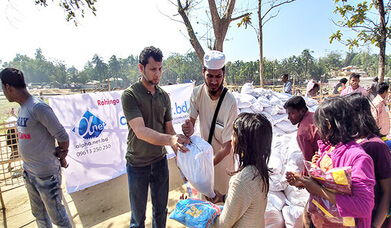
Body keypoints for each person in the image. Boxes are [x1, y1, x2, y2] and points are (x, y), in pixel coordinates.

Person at [121, 46, 190, 228]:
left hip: (160, 163)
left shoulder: (163, 97)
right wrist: (171, 140)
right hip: (137, 164)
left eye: (160, 69)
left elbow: (169, 130)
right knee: (138, 219)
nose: (157, 74)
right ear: (140, 67)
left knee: (161, 212)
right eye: (152, 69)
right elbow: (140, 131)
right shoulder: (130, 95)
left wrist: (182, 151)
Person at [286, 97, 375, 227]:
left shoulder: (358, 158)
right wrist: (303, 182)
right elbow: (330, 184)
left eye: (318, 125)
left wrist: (317, 190)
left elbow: (364, 206)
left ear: (328, 124)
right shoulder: (328, 150)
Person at [0, 68, 72, 227]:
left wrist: (62, 155)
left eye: (3, 88)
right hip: (30, 173)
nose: (3, 92)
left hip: (46, 176)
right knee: (39, 215)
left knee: (58, 218)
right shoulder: (22, 107)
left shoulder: (38, 107)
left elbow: (62, 136)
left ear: (8, 87)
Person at [182, 50, 238, 196]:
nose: (214, 82)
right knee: (205, 206)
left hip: (222, 164)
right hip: (204, 160)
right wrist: (188, 128)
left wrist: (206, 165)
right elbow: (191, 125)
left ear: (224, 73)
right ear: (203, 73)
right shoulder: (197, 94)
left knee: (222, 205)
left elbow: (227, 147)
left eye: (218, 76)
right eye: (210, 76)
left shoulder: (230, 102)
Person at [206, 113, 272, 227]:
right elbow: (246, 199)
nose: (231, 139)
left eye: (234, 134)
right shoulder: (259, 170)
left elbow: (222, 225)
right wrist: (222, 197)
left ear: (243, 141)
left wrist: (198, 214)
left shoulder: (241, 180)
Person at [344, 92, 391, 228]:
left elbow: (387, 191)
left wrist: (375, 225)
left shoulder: (376, 146)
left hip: (373, 219)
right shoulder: (351, 142)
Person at [283, 96, 320, 163]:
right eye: (288, 114)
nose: (288, 118)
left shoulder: (303, 132)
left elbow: (309, 162)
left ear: (302, 111)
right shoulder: (315, 116)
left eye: (291, 113)